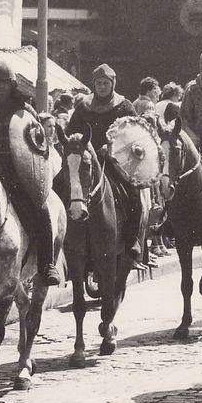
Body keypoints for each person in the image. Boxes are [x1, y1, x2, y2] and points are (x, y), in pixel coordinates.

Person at [0, 62, 61, 286]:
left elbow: (37, 144)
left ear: (12, 85)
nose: (1, 88)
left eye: (5, 83)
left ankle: (47, 265)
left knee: (41, 209)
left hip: (18, 174)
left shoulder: (24, 110)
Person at [68, 63, 145, 264]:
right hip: (86, 161)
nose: (102, 87)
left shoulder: (124, 105)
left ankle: (132, 239)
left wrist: (110, 147)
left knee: (133, 193)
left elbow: (133, 131)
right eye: (99, 83)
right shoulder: (83, 106)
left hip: (115, 161)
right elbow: (70, 132)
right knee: (62, 187)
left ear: (112, 84)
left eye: (106, 83)